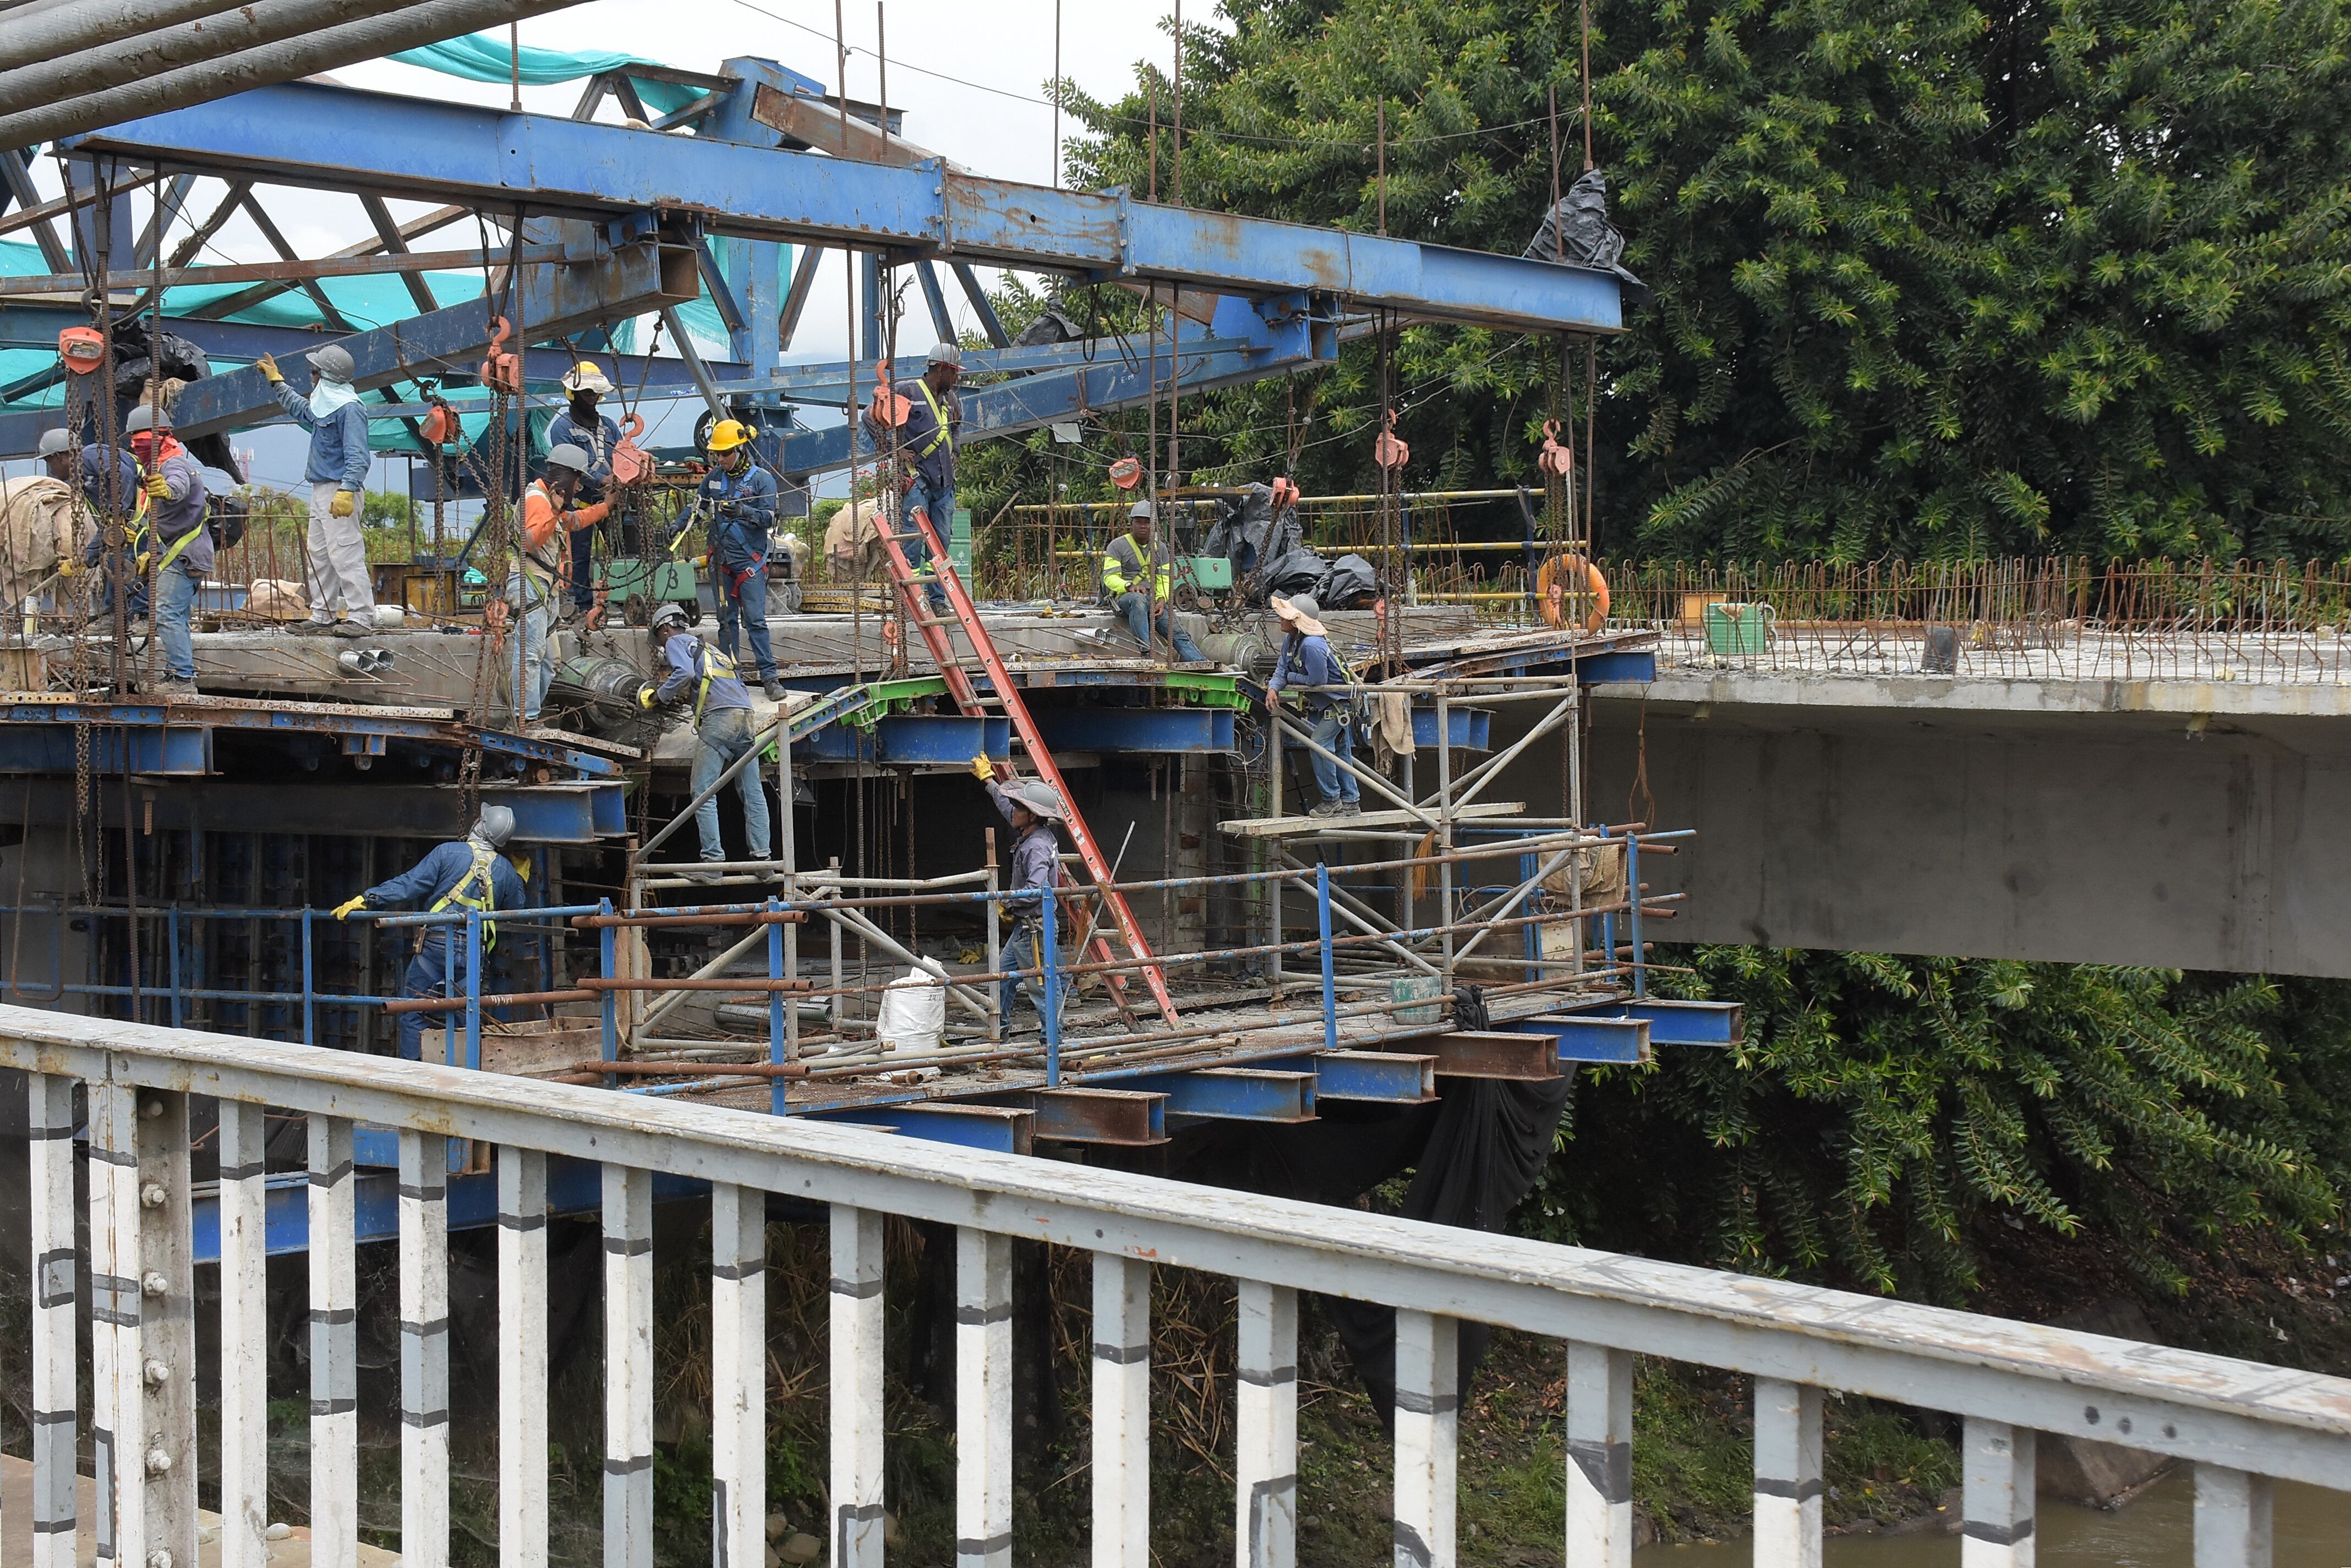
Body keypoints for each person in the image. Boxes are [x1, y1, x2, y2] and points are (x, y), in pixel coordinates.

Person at [333, 806, 529, 1062]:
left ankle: (415, 1073)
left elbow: (409, 884)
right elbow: (517, 907)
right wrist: (519, 878)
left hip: (436, 945)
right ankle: (463, 1073)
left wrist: (368, 899)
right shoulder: (504, 869)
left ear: (481, 824)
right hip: (473, 951)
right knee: (465, 1014)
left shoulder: (448, 852)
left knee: (414, 1011)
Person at [640, 602, 772, 875]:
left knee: (703, 791)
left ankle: (712, 863)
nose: (663, 648)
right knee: (752, 792)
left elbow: (685, 673)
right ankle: (763, 862)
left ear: (665, 629)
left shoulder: (677, 641)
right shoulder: (712, 650)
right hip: (746, 718)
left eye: (660, 639)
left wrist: (659, 696)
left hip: (720, 720)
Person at [256, 344, 373, 637]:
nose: (312, 376)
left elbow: (358, 455)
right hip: (322, 489)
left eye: (315, 371)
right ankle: (323, 614)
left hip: (339, 490)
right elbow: (304, 412)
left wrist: (347, 490)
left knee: (346, 554)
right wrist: (277, 383)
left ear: (326, 376)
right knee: (320, 554)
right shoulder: (327, 403)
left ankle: (361, 617)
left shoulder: (350, 408)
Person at [511, 443, 609, 726]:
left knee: (551, 659)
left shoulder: (547, 500)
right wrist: (554, 512)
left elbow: (574, 521)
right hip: (530, 584)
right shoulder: (537, 501)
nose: (578, 488)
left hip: (546, 589)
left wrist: (605, 508)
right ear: (564, 476)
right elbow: (529, 541)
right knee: (530, 655)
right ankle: (526, 719)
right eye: (577, 481)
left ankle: (533, 713)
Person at [865, 342, 960, 611]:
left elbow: (957, 427)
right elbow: (870, 416)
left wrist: (957, 452)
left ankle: (937, 600)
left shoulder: (951, 400)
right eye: (953, 373)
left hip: (944, 483)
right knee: (911, 542)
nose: (956, 380)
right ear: (941, 370)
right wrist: (894, 450)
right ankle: (911, 601)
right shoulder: (906, 391)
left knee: (940, 547)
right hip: (916, 480)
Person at [123, 404, 209, 700]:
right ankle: (178, 672)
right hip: (180, 553)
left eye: (140, 438)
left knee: (167, 614)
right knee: (176, 615)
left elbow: (177, 488)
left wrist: (167, 490)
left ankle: (182, 679)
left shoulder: (172, 465)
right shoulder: (155, 468)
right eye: (133, 438)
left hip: (183, 554)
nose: (136, 443)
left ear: (160, 437)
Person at [970, 755, 1063, 1024]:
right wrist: (989, 780)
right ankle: (1000, 1033)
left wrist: (1008, 903)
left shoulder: (1035, 848)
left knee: (1042, 988)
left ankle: (1054, 1046)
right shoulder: (1037, 834)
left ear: (1033, 815)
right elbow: (1004, 805)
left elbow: (1036, 889)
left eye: (1019, 808)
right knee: (1002, 980)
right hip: (1027, 926)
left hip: (1035, 927)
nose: (1014, 811)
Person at [698, 419, 786, 701]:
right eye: (717, 454)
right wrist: (678, 525)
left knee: (756, 620)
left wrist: (744, 512)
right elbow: (697, 508)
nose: (720, 459)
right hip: (721, 561)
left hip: (750, 563)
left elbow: (770, 518)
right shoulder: (713, 479)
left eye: (725, 453)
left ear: (740, 449)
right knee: (726, 621)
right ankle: (730, 678)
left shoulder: (761, 480)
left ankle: (769, 677)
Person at [1266, 593, 1360, 818]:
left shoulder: (1311, 645)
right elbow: (1282, 668)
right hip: (1330, 706)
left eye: (1284, 616)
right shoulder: (1292, 641)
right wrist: (1273, 687)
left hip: (1339, 705)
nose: (1280, 619)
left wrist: (1292, 677)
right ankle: (1351, 801)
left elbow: (1317, 680)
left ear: (1297, 620)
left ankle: (1332, 800)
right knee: (1339, 751)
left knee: (1319, 744)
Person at [41, 427, 140, 623]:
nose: (50, 468)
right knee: (114, 562)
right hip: (126, 526)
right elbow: (106, 527)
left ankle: (131, 617)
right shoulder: (83, 479)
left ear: (59, 457)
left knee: (123, 565)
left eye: (48, 461)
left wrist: (117, 513)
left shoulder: (90, 456)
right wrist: (85, 560)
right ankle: (115, 617)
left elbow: (125, 476)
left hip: (144, 523)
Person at [546, 360, 621, 618]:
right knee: (580, 557)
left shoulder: (609, 426)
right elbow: (574, 467)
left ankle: (616, 599)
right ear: (574, 393)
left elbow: (621, 454)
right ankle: (583, 605)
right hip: (581, 503)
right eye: (586, 392)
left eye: (594, 393)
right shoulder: (562, 428)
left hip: (612, 500)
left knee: (620, 552)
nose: (591, 398)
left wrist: (628, 472)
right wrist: (603, 480)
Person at [1099, 498, 1206, 662]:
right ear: (1132, 524)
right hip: (1124, 598)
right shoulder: (1117, 546)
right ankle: (1146, 652)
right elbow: (1109, 578)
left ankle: (1201, 664)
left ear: (1154, 525)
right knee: (1138, 600)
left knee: (1176, 632)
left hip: (1151, 598)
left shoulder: (1160, 549)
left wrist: (1161, 600)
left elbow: (1163, 579)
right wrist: (1128, 586)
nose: (1143, 526)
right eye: (1139, 522)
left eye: (1147, 523)